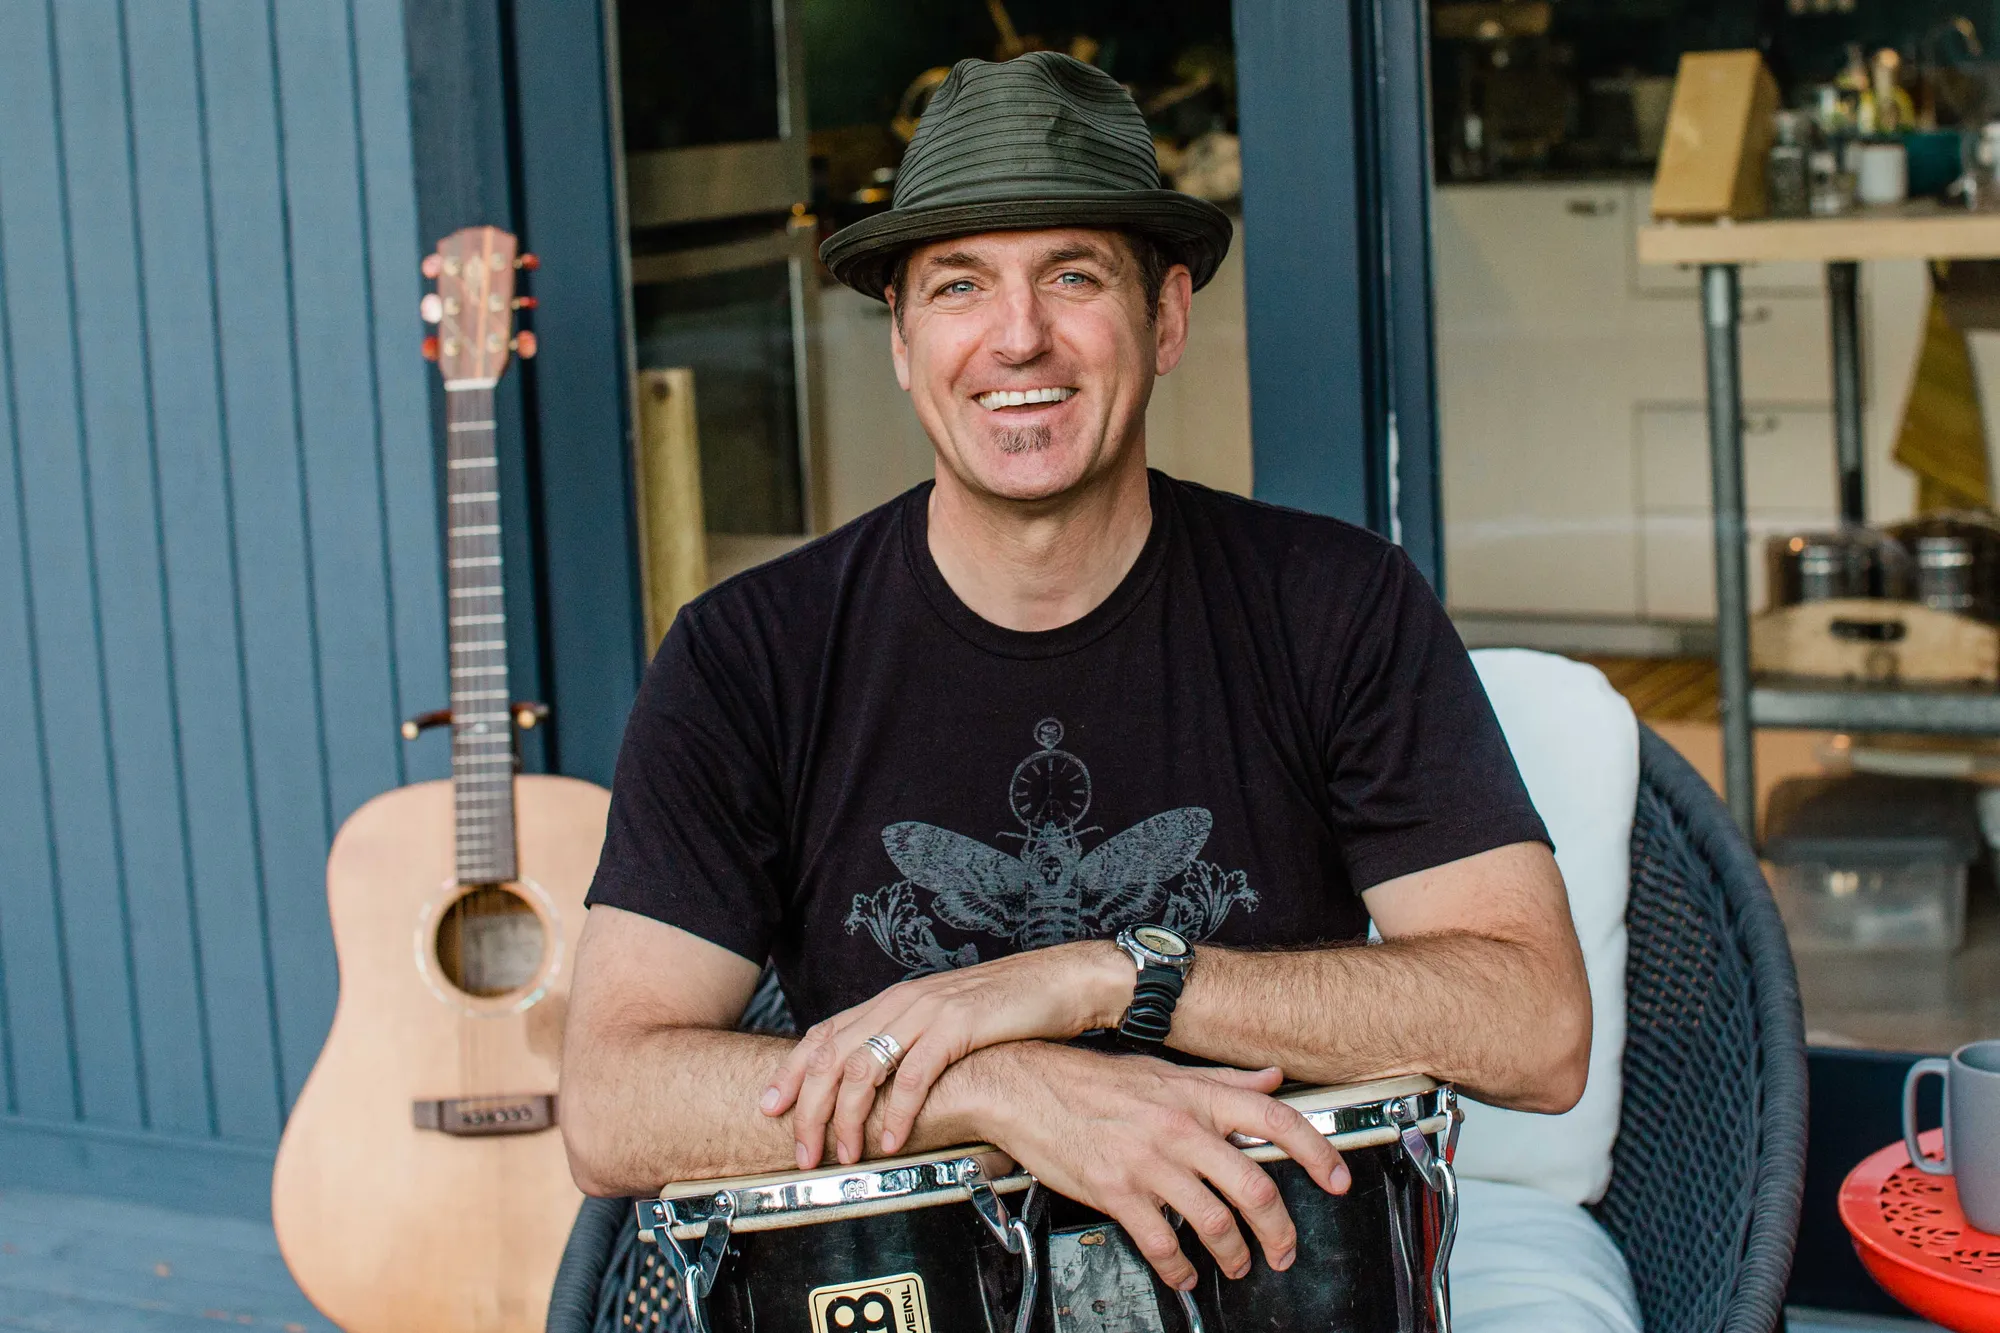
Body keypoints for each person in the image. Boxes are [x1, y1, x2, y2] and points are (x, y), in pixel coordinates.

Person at [561, 51, 1591, 1300]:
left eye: (1070, 275)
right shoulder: (746, 657)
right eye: (957, 284)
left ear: (1164, 318)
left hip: (1270, 1283)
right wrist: (994, 1082)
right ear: (899, 338)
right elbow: (610, 1105)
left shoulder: (1335, 604)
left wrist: (1112, 974)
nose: (1016, 337)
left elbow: (1536, 1029)